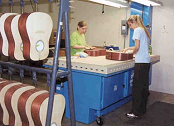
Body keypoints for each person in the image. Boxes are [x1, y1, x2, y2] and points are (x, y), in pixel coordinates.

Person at [122, 15, 151, 119]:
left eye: (130, 25)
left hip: (140, 62)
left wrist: (130, 54)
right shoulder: (144, 30)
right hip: (146, 62)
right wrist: (127, 48)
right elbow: (140, 46)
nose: (130, 27)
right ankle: (142, 110)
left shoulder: (137, 30)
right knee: (143, 87)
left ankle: (134, 112)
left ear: (134, 22)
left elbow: (137, 47)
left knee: (137, 88)